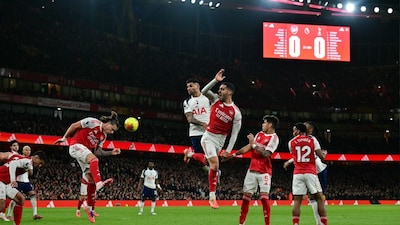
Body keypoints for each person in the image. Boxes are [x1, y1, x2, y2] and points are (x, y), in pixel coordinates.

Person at [55, 111, 121, 223]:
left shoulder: (103, 136)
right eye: (112, 129)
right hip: (75, 146)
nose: (112, 132)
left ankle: (89, 209)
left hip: (84, 152)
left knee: (90, 179)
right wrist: (64, 138)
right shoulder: (92, 122)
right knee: (94, 160)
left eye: (113, 131)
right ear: (108, 123)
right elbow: (74, 125)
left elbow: (98, 151)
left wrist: (111, 153)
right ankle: (99, 182)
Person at [197, 68, 242, 209]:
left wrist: (228, 151)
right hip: (208, 137)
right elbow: (203, 92)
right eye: (219, 89)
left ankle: (190, 153)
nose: (219, 91)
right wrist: (215, 80)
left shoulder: (236, 113)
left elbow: (234, 134)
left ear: (229, 92)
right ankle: (212, 197)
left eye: (222, 89)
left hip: (220, 141)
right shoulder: (216, 100)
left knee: (209, 162)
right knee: (215, 165)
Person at [226, 115, 279, 225]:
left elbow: (266, 154)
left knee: (264, 198)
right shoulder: (259, 134)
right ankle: (241, 223)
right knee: (246, 198)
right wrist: (234, 154)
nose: (262, 125)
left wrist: (254, 145)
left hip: (264, 172)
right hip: (252, 170)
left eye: (264, 123)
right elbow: (248, 147)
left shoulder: (274, 138)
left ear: (270, 125)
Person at [283, 121, 328, 225]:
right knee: (319, 198)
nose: (293, 132)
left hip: (298, 173)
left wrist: (289, 162)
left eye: (294, 131)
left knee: (297, 201)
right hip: (312, 172)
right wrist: (323, 154)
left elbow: (296, 155)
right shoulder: (312, 140)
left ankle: (295, 223)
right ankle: (322, 223)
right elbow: (320, 156)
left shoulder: (291, 142)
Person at [0, 150, 48, 225]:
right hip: (1, 178)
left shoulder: (27, 161)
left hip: (6, 182)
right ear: (36, 158)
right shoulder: (28, 162)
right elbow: (13, 164)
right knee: (1, 205)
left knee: (20, 199)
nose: (40, 165)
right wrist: (13, 180)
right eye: (40, 162)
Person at [6, 145, 43, 220]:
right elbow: (13, 166)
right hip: (18, 181)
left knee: (33, 195)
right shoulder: (19, 158)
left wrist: (28, 169)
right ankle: (9, 214)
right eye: (25, 150)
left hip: (26, 181)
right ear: (22, 151)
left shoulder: (30, 160)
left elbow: (31, 173)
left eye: (29, 150)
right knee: (15, 199)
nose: (27, 151)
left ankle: (35, 214)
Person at [182, 78, 211, 170]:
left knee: (210, 156)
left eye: (191, 86)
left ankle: (189, 153)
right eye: (187, 87)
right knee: (202, 161)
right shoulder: (187, 102)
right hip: (195, 133)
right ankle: (214, 173)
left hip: (208, 133)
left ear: (197, 86)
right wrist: (202, 124)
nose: (188, 88)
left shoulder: (207, 98)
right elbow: (190, 119)